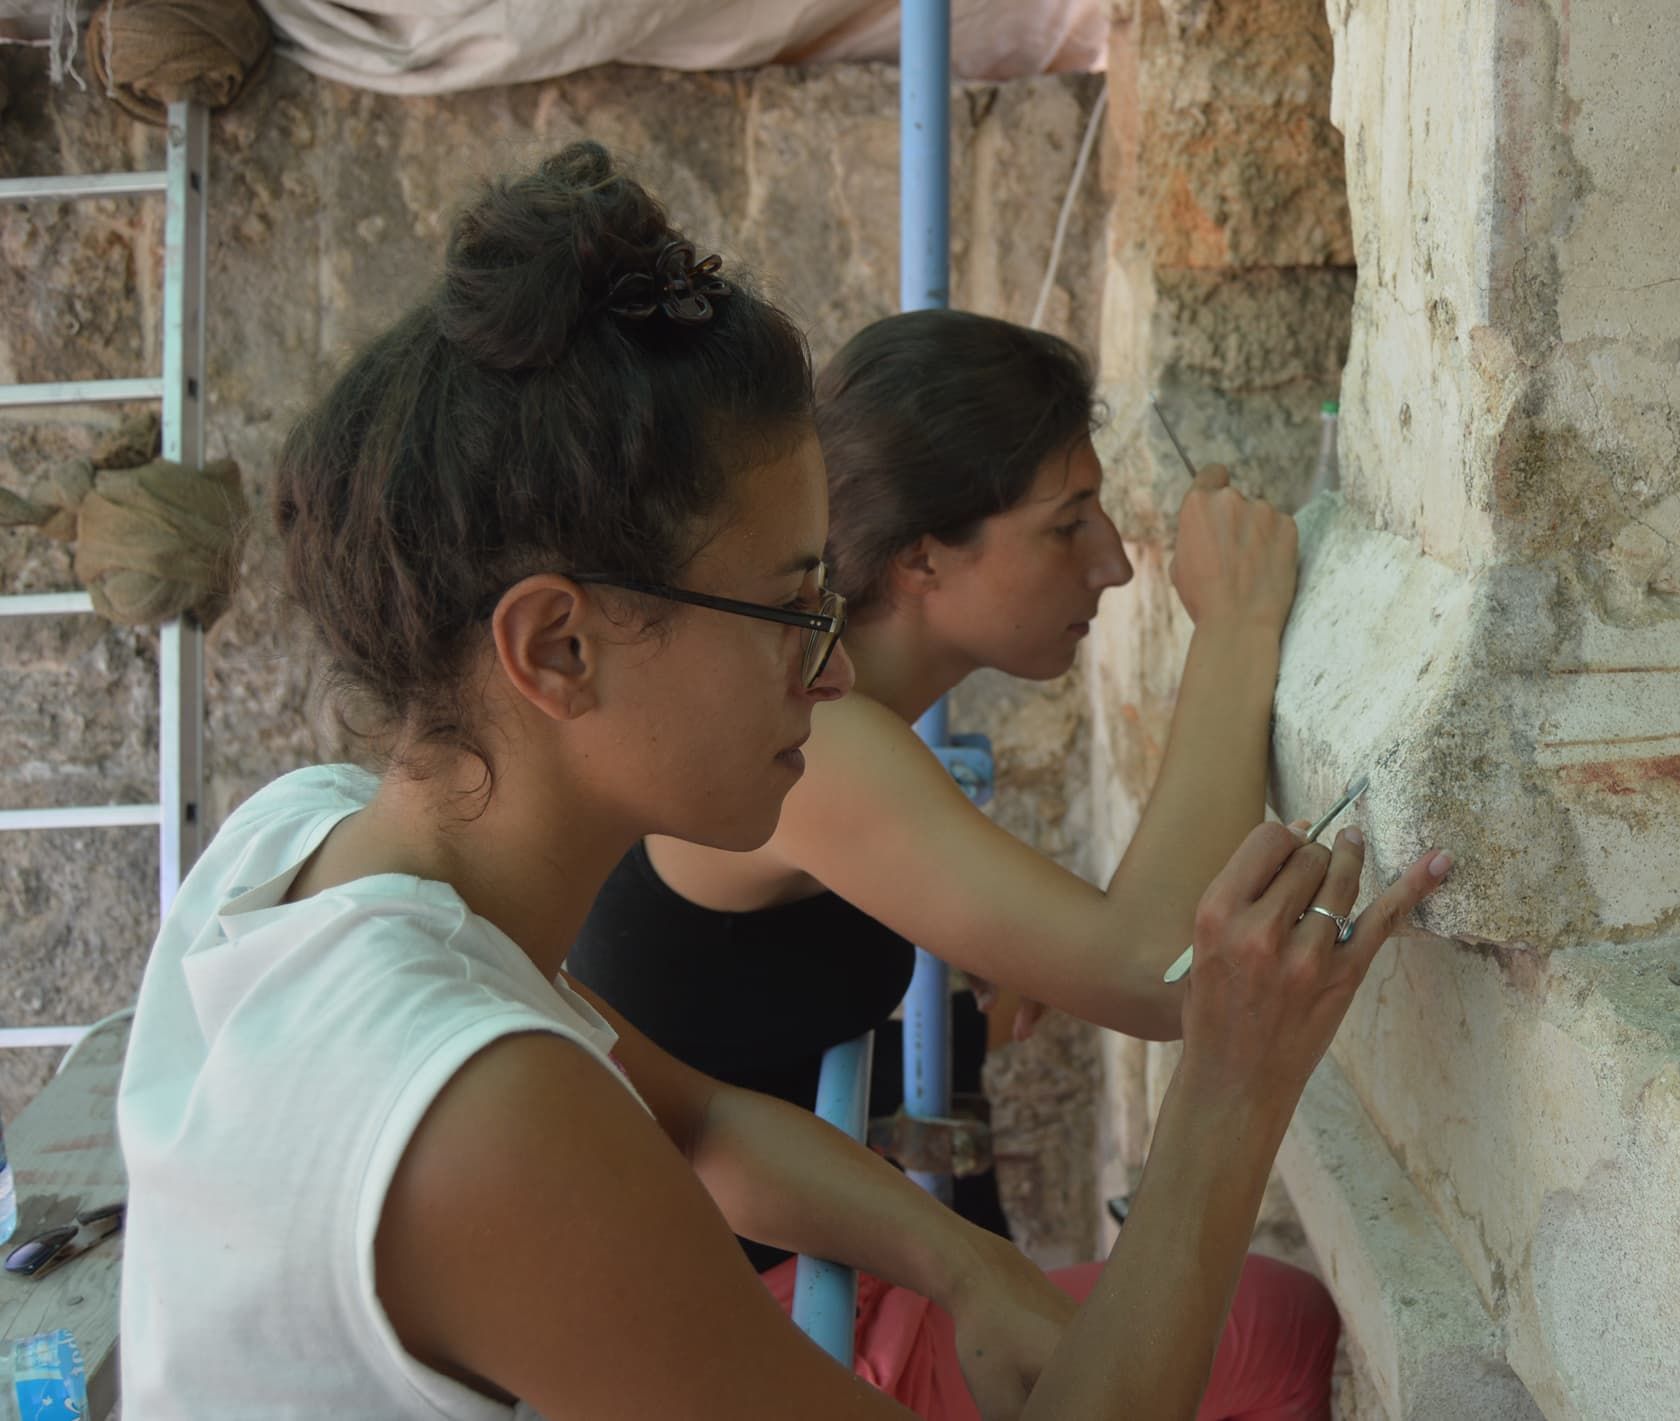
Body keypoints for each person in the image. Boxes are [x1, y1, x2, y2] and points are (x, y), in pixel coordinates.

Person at [112, 141, 1454, 1420]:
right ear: (557, 647)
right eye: (795, 604)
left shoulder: (307, 838)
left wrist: (967, 1262)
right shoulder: (476, 1119)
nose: (828, 675)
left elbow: (696, 1121)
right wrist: (1230, 1087)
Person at [568, 308, 1345, 1415]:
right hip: (772, 1326)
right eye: (1069, 522)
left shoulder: (832, 705)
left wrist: (1001, 936)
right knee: (1277, 1332)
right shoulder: (819, 738)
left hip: (792, 1278)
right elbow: (1161, 967)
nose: (1117, 564)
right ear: (925, 556)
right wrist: (1236, 625)